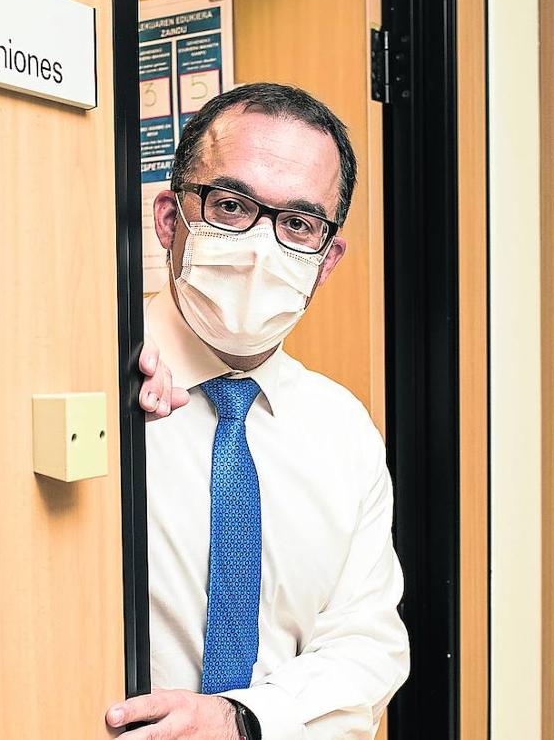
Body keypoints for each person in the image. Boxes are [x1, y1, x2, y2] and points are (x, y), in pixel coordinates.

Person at [106, 83, 410, 739]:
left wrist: (242, 719)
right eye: (232, 205)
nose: (260, 246)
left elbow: (366, 645)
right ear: (170, 219)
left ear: (326, 260)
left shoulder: (342, 431)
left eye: (299, 224)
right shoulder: (90, 378)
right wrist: (94, 372)